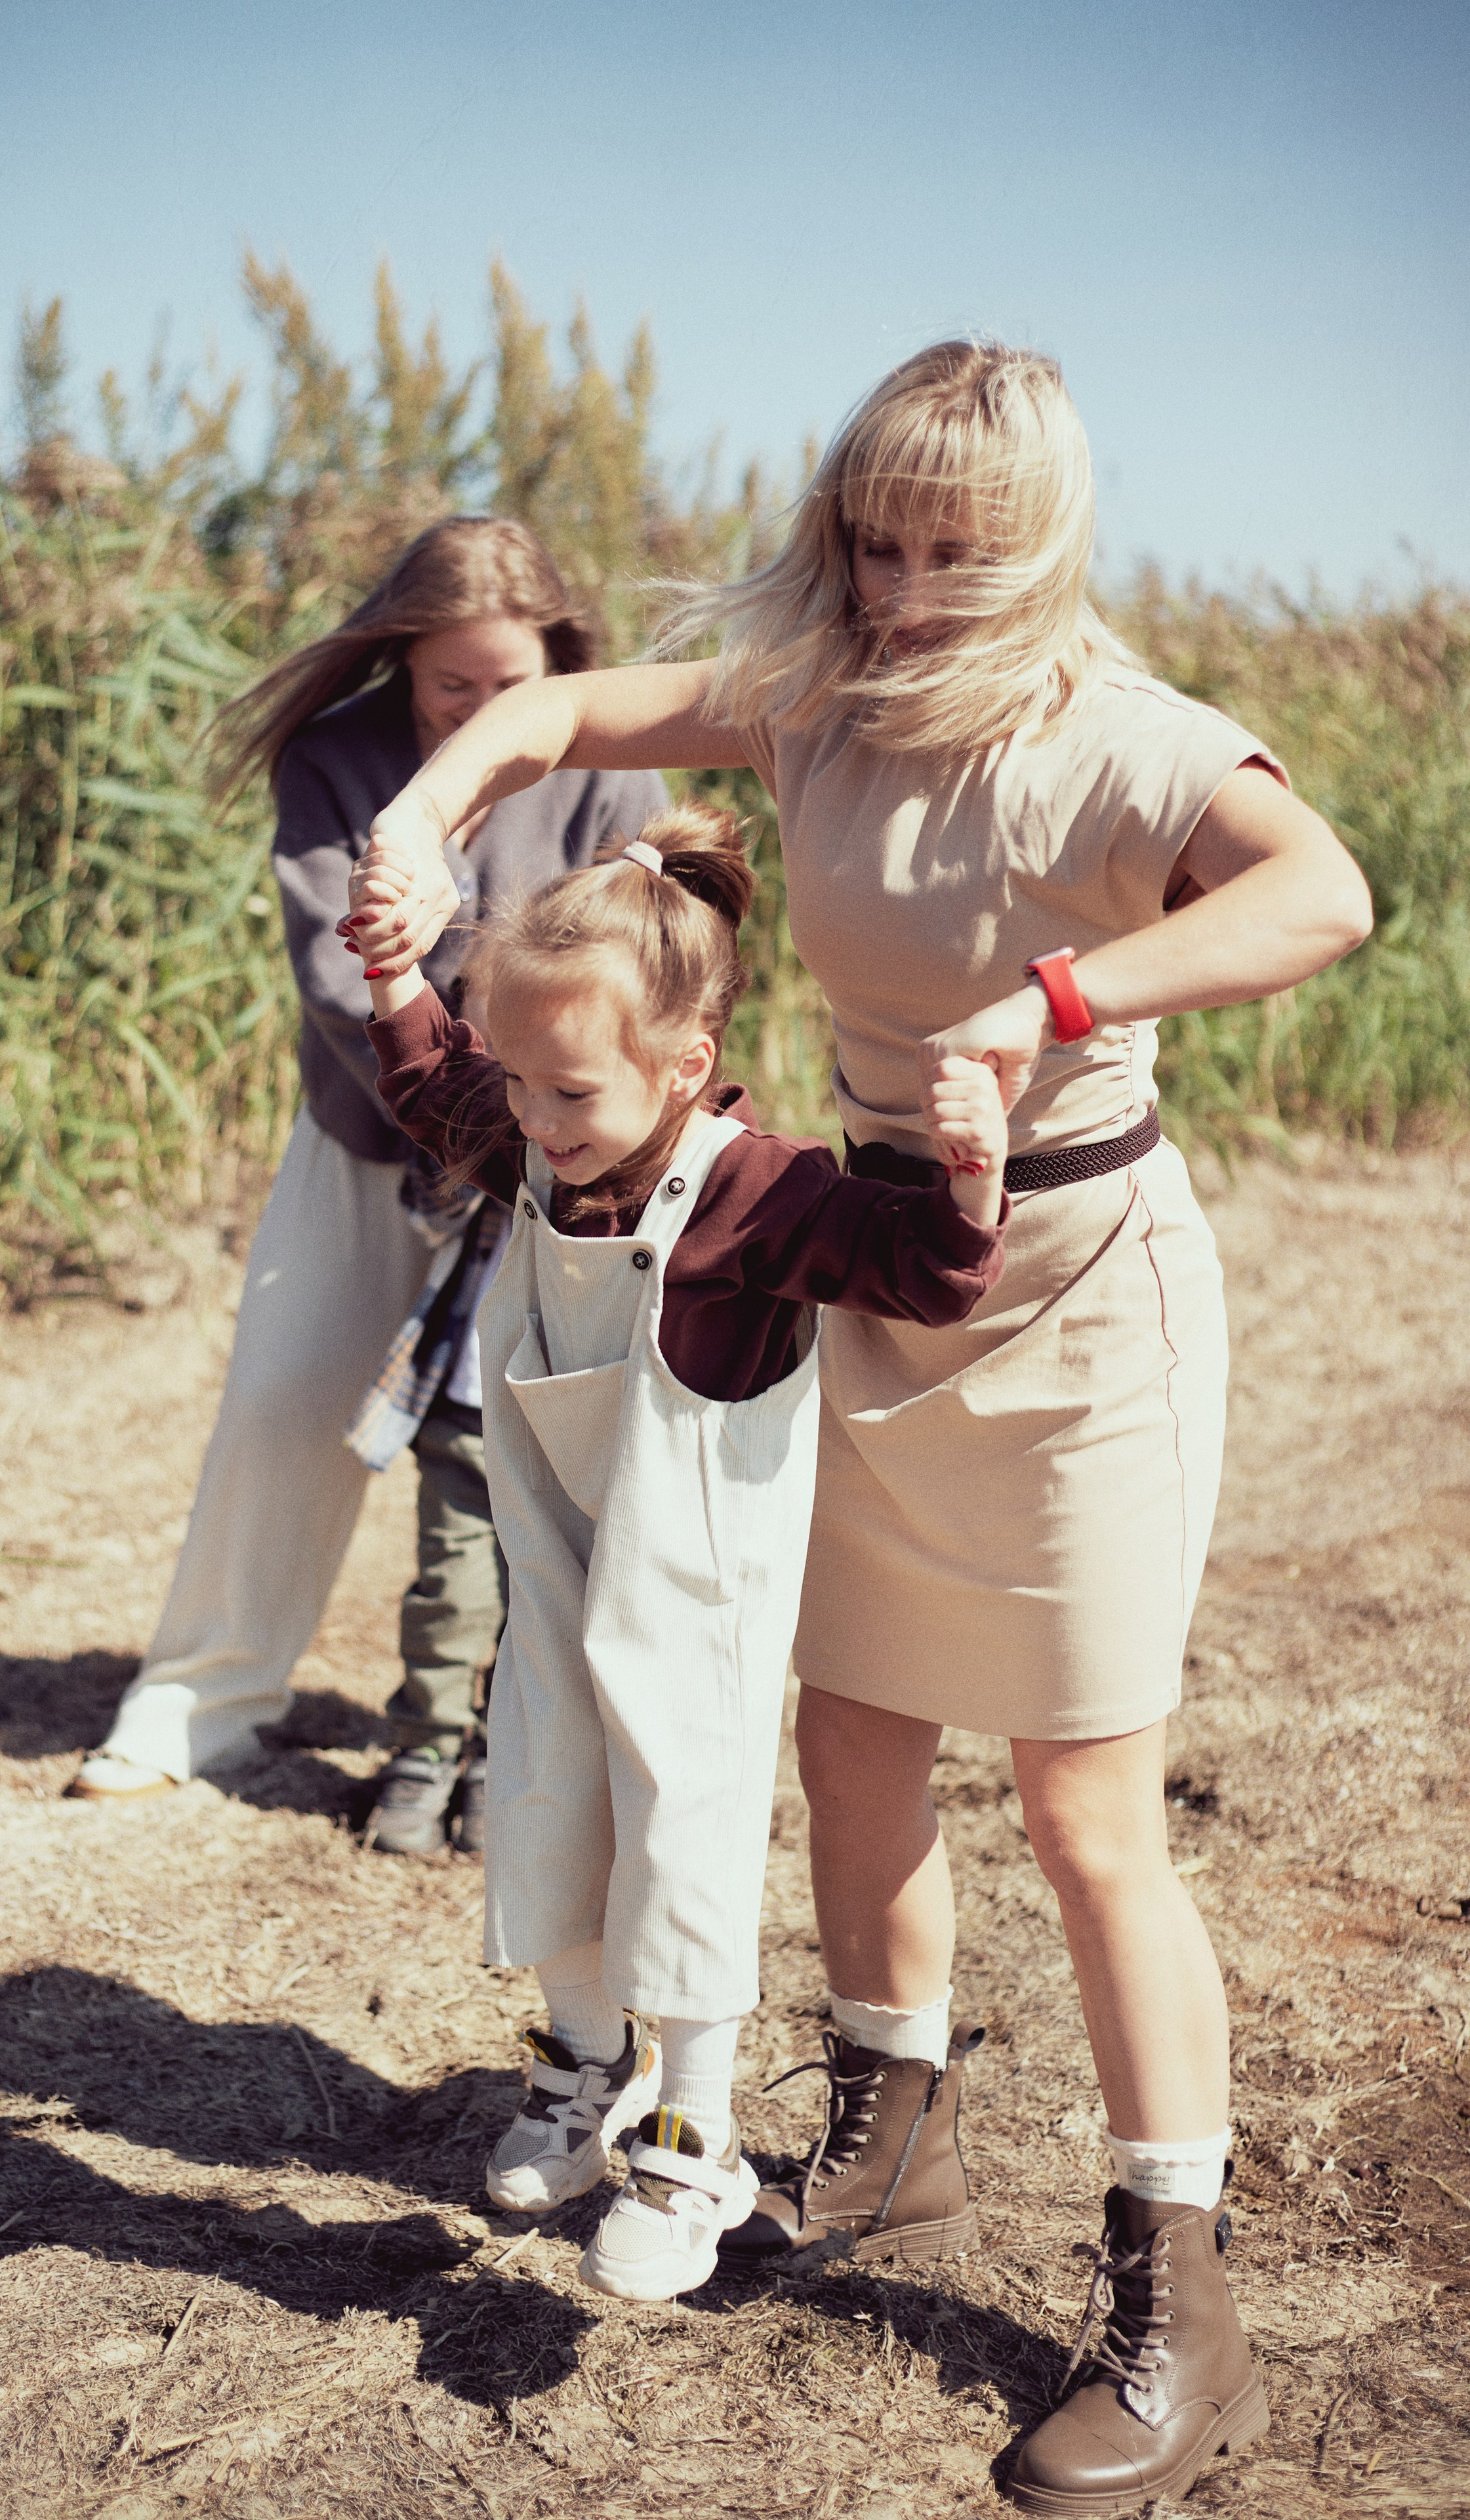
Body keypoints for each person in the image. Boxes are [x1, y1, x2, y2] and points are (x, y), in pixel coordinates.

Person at [343, 345, 1373, 2507]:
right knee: (847, 1739)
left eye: (956, 555)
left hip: (1080, 1301)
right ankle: (887, 2141)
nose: (908, 590)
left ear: (1045, 546)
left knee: (1092, 1823)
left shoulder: (1124, 740)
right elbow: (555, 712)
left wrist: (1066, 998)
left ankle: (1185, 2312)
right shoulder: (821, 686)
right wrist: (430, 823)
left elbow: (1324, 898)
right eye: (877, 541)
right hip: (873, 1284)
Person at [352, 802, 1010, 2302]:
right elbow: (435, 1087)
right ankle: (584, 2066)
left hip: (695, 1590)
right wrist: (399, 975)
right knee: (546, 1783)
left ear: (683, 1068)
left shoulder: (747, 1189)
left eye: (565, 1091)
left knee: (681, 1820)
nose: (526, 1117)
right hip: (561, 1559)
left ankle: (694, 2133)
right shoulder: (535, 1135)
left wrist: (969, 1176)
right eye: (515, 1080)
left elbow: (916, 1271)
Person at [68, 518, 668, 1855]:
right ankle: (199, 1696)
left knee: (533, 1458)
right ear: (401, 664)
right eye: (449, 683)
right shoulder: (335, 758)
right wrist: (488, 1060)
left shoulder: (614, 774)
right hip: (366, 1129)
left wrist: (538, 1106)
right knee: (281, 1399)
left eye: (506, 682)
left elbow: (640, 969)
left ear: (556, 659)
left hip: (547, 1162)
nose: (477, 709)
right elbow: (343, 977)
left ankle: (520, 1736)